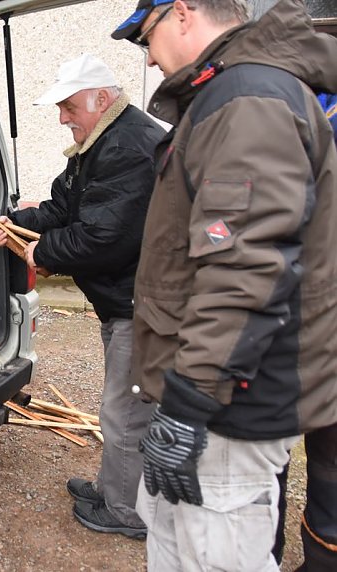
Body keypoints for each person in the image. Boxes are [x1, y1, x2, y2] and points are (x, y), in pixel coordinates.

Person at [111, 0, 337, 569]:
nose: (148, 53)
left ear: (182, 13)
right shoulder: (226, 95)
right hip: (207, 390)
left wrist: (188, 404)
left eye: (146, 35)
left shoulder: (248, 100)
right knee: (174, 543)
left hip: (230, 406)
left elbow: (246, 267)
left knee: (215, 553)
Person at [0, 53, 164, 539]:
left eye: (68, 107)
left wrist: (41, 250)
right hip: (122, 299)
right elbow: (64, 205)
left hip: (139, 303)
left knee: (124, 412)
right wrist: (19, 224)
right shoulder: (100, 139)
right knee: (121, 407)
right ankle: (112, 488)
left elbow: (104, 237)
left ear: (100, 99)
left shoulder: (129, 147)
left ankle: (127, 512)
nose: (63, 118)